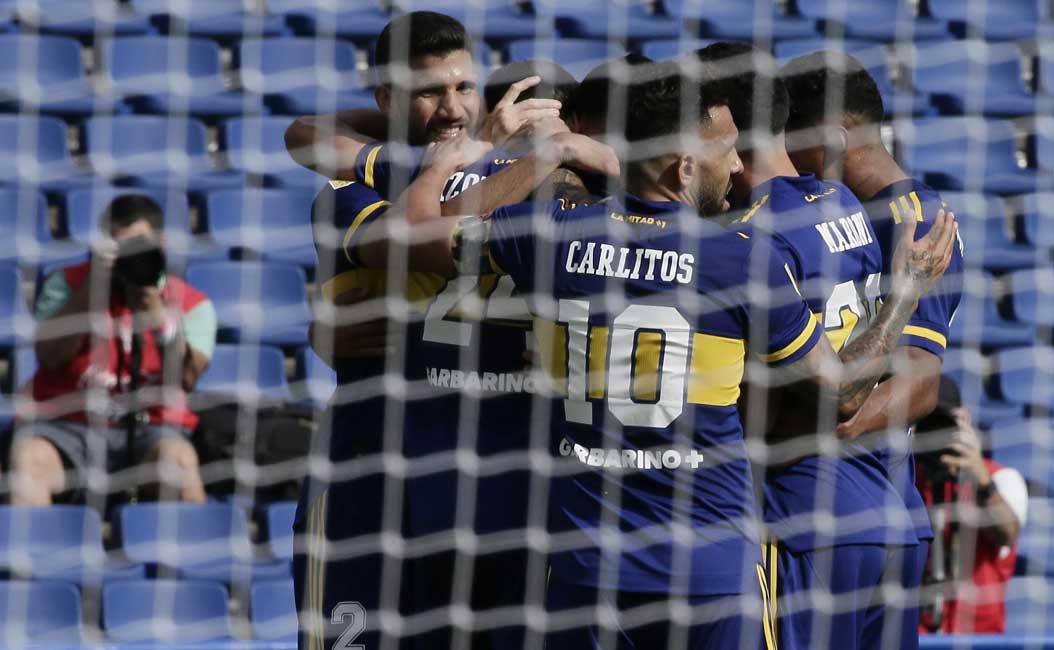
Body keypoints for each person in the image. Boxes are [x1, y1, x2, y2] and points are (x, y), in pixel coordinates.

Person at [380, 59, 957, 648]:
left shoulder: (550, 235)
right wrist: (904, 292)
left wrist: (488, 158)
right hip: (708, 570)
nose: (736, 165)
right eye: (725, 152)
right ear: (684, 168)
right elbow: (841, 391)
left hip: (587, 568)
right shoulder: (742, 260)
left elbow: (405, 240)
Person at [293, 12, 614, 650]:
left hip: (508, 485)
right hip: (377, 479)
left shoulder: (376, 184)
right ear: (386, 99)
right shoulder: (365, 190)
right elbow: (421, 245)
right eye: (430, 92)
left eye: (464, 89)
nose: (451, 108)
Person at [696, 42, 936, 650]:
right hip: (878, 512)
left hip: (799, 514)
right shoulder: (844, 207)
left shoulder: (744, 241)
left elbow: (763, 407)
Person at [781, 50, 966, 648]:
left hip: (859, 510)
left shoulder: (914, 219)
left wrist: (793, 439)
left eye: (793, 142)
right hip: (855, 513)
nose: (785, 160)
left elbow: (917, 382)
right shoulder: (833, 213)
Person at [9, 194, 214, 506]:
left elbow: (185, 379)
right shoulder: (66, 284)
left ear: (160, 244)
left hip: (151, 429)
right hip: (68, 425)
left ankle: (195, 554)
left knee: (180, 461)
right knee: (29, 460)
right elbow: (48, 356)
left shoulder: (192, 304)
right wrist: (92, 290)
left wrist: (156, 313)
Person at [914, 377, 1027, 634]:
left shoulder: (1001, 478)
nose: (935, 432)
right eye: (926, 423)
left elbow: (1007, 534)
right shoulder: (902, 482)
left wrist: (979, 480)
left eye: (942, 421)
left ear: (964, 418)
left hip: (978, 637)